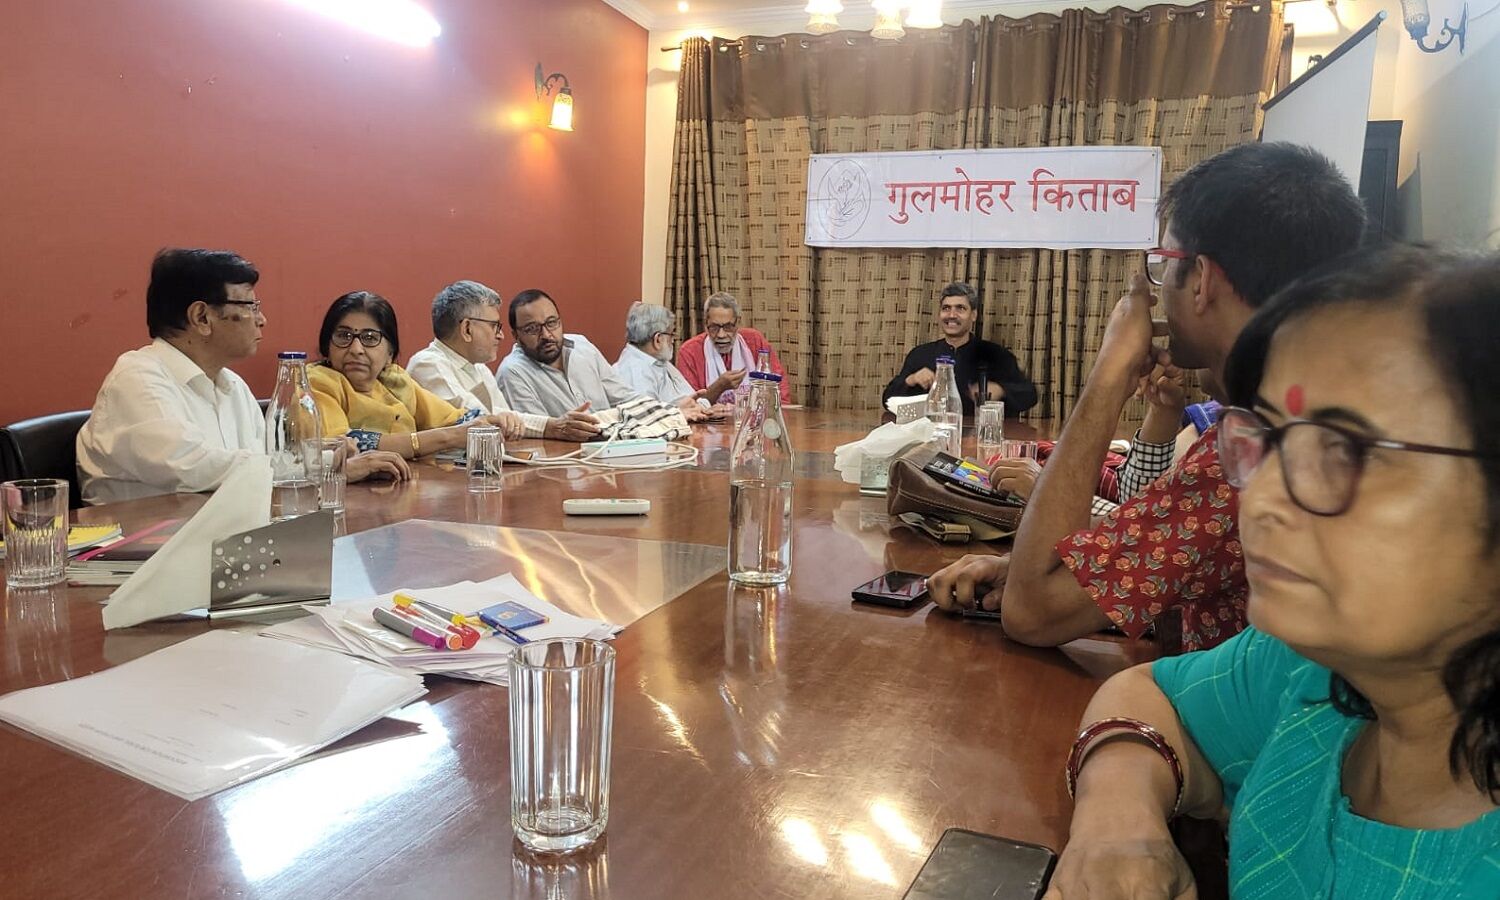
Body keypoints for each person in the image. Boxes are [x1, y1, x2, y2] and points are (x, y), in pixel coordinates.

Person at [1047, 245, 1500, 899]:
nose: (1259, 498)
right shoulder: (1311, 674)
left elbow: (1035, 607)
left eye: (1343, 449)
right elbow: (1152, 695)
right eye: (1266, 439)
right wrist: (1118, 821)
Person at [929, 142, 1367, 652]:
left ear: (1201, 280)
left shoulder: (1253, 455)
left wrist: (1110, 372)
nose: (1157, 290)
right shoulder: (1305, 414)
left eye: (1164, 263)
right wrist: (1063, 571)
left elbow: (1030, 612)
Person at [77, 249, 408, 505]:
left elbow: (271, 463)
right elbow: (193, 468)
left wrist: (329, 459)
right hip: (135, 559)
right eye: (250, 306)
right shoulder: (138, 378)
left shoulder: (231, 385)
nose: (261, 319)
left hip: (220, 544)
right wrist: (323, 464)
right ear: (201, 317)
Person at [308, 291, 524, 456]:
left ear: (390, 353)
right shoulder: (317, 383)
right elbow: (340, 445)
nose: (356, 349)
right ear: (327, 346)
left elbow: (455, 420)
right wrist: (447, 438)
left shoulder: (394, 381)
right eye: (344, 336)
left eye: (370, 338)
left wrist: (491, 421)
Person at [406, 280, 601, 441]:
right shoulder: (428, 364)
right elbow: (478, 421)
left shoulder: (479, 367)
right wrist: (551, 427)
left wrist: (554, 426)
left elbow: (506, 418)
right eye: (494, 326)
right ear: (467, 329)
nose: (500, 335)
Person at [497, 289, 666, 424]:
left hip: (612, 444)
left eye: (551, 323)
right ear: (516, 336)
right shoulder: (512, 372)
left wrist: (667, 411)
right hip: (568, 454)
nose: (547, 335)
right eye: (532, 329)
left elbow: (623, 397)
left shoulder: (581, 346)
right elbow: (539, 432)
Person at [882, 282, 1038, 417]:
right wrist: (911, 380)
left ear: (973, 315)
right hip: (930, 435)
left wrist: (1001, 390)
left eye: (960, 308)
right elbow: (887, 400)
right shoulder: (920, 354)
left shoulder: (996, 354)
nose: (951, 315)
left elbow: (1029, 394)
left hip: (980, 435)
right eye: (946, 308)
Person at [615, 302, 732, 416]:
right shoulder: (635, 371)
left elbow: (688, 401)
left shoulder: (659, 361)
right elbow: (650, 420)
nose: (673, 340)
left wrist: (706, 407)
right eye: (671, 334)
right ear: (657, 339)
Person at [676, 292, 792, 405]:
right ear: (706, 323)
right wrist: (719, 387)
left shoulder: (755, 341)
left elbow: (779, 389)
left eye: (728, 327)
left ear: (738, 322)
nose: (721, 335)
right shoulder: (689, 351)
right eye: (714, 327)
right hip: (710, 418)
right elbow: (689, 406)